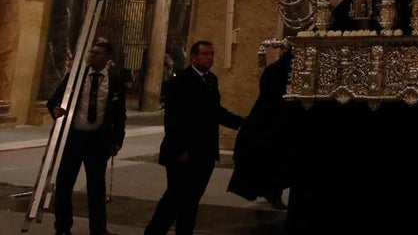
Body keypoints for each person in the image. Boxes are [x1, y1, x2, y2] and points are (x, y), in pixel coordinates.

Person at [144, 40, 244, 235]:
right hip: (184, 153)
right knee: (174, 199)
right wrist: (180, 149)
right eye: (206, 54)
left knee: (191, 201)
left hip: (204, 152)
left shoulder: (211, 79)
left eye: (212, 54)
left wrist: (241, 123)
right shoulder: (179, 82)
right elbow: (173, 120)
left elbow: (215, 112)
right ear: (194, 57)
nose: (210, 58)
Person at [47, 39, 128, 235]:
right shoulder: (76, 77)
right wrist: (57, 110)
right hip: (74, 138)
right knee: (64, 185)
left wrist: (117, 140)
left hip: (97, 141)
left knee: (96, 189)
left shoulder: (115, 80)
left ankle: (98, 229)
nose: (93, 55)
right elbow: (54, 101)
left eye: (98, 53)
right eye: (91, 52)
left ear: (108, 58)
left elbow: (119, 114)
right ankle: (63, 228)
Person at [227, 46, 293, 209]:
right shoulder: (279, 71)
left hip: (273, 120)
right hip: (273, 121)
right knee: (273, 162)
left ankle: (272, 191)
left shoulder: (277, 69)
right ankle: (272, 192)